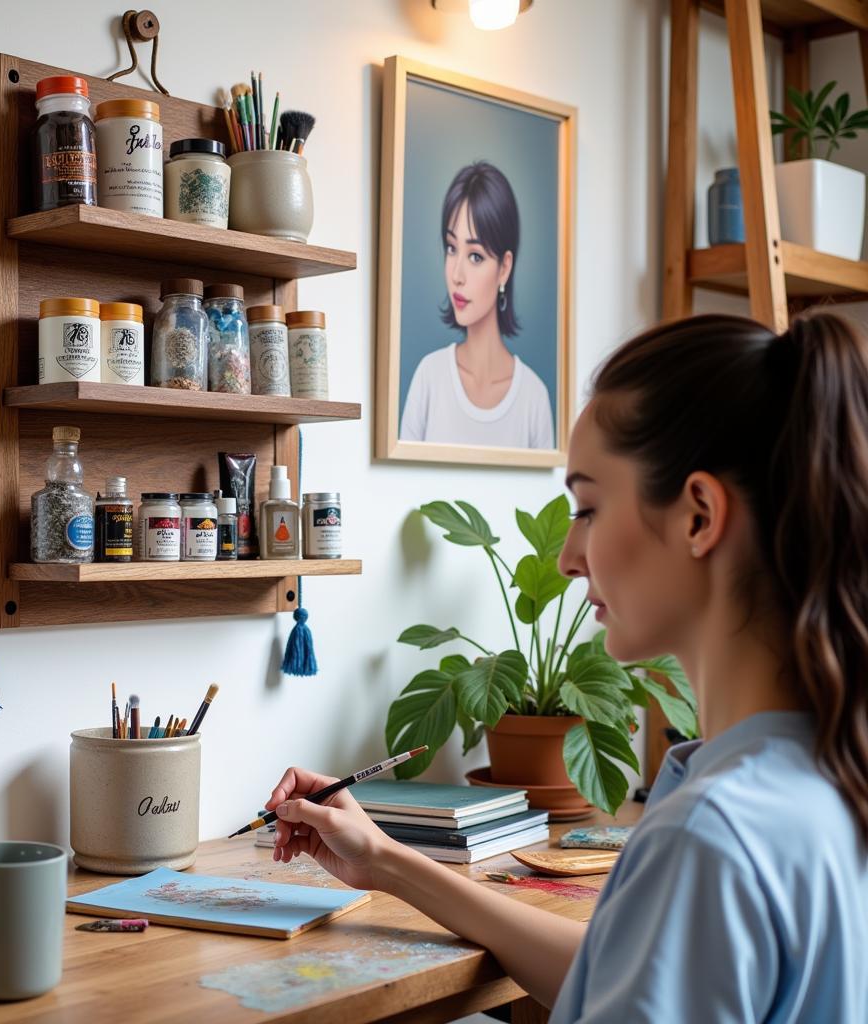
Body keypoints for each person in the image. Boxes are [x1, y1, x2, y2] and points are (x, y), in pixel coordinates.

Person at [267, 312, 868, 1021]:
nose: (566, 556)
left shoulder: (709, 839)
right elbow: (625, 973)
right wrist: (386, 860)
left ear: (700, 516)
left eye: (588, 508)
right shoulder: (825, 776)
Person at [400, 161, 555, 449]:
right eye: (451, 248)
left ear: (504, 268)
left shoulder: (534, 396)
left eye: (475, 256)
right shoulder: (429, 377)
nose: (457, 275)